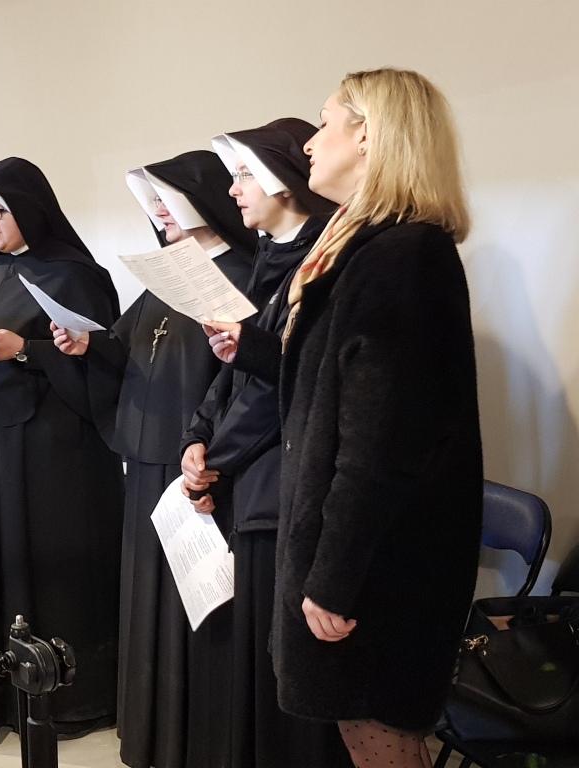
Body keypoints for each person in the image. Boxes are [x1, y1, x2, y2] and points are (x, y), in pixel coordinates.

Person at [206, 69, 482, 768]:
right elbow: (337, 387)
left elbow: (380, 445)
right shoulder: (368, 249)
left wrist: (333, 577)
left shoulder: (401, 258)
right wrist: (258, 350)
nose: (310, 143)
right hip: (365, 549)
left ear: (369, 137)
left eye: (326, 122)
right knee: (367, 733)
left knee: (379, 736)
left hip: (378, 561)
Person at [51, 150, 256, 768]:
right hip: (146, 465)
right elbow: (127, 350)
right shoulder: (167, 276)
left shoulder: (242, 274)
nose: (158, 213)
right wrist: (87, 345)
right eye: (152, 204)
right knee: (149, 600)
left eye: (167, 200)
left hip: (203, 470)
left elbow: (249, 383)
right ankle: (152, 733)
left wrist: (215, 452)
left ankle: (194, 741)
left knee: (199, 608)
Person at [0, 157, 124, 739]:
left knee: (41, 571)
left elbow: (102, 369)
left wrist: (25, 351)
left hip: (44, 455)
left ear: (30, 211)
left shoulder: (75, 275)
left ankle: (59, 699)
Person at [179, 119, 349, 768]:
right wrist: (198, 437)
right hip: (246, 479)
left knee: (282, 668)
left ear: (283, 182)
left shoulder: (321, 263)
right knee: (250, 655)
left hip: (281, 489)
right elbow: (230, 371)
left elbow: (288, 387)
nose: (233, 189)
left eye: (245, 174)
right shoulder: (267, 260)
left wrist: (215, 462)